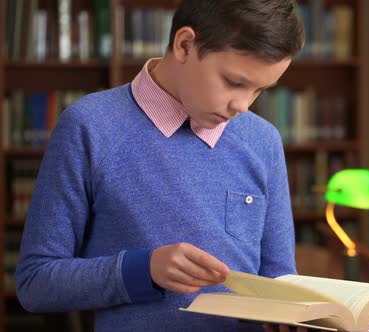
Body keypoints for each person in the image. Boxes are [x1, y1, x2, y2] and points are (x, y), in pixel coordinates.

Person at [15, 0, 304, 331]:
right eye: (233, 82)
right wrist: (145, 270)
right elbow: (35, 283)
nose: (241, 105)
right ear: (184, 46)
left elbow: (279, 278)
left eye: (260, 90)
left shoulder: (262, 141)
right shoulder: (89, 127)